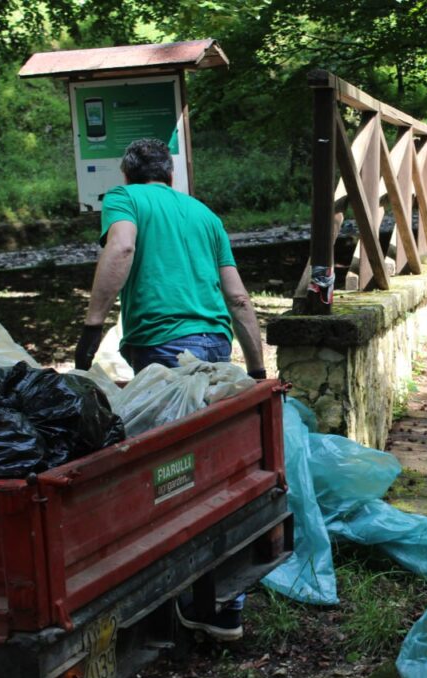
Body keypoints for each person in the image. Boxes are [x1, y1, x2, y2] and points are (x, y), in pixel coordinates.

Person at [75, 137, 266, 641]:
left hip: (160, 349)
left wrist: (93, 327)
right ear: (171, 175)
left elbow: (121, 246)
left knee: (172, 479)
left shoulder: (124, 199)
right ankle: (222, 601)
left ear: (127, 173)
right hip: (212, 346)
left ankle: (181, 600)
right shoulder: (205, 216)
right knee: (213, 468)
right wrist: (256, 369)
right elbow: (239, 298)